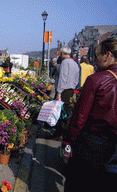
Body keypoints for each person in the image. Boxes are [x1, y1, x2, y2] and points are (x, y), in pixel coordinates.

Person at [62, 37, 117, 192]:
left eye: (97, 56)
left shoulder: (96, 80)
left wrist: (68, 141)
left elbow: (80, 117)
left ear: (107, 55)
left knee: (79, 183)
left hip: (94, 142)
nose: (94, 61)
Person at [50, 47, 80, 140]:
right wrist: (73, 86)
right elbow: (77, 78)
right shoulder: (74, 63)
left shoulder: (65, 63)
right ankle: (63, 133)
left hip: (63, 90)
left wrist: (59, 92)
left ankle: (59, 134)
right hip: (71, 89)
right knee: (66, 111)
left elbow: (63, 78)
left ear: (63, 53)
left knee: (59, 112)